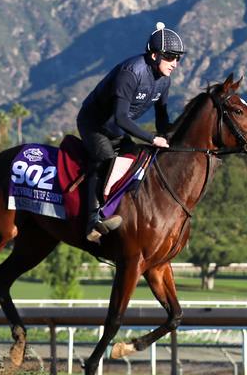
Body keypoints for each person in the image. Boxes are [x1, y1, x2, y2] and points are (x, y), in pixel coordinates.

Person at [76, 22, 184, 244]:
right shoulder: (131, 73)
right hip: (94, 125)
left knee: (139, 162)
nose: (175, 63)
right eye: (170, 57)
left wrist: (170, 136)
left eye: (178, 58)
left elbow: (161, 116)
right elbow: (121, 117)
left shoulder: (164, 80)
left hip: (116, 129)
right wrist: (153, 138)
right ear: (154, 55)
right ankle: (93, 219)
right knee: (106, 161)